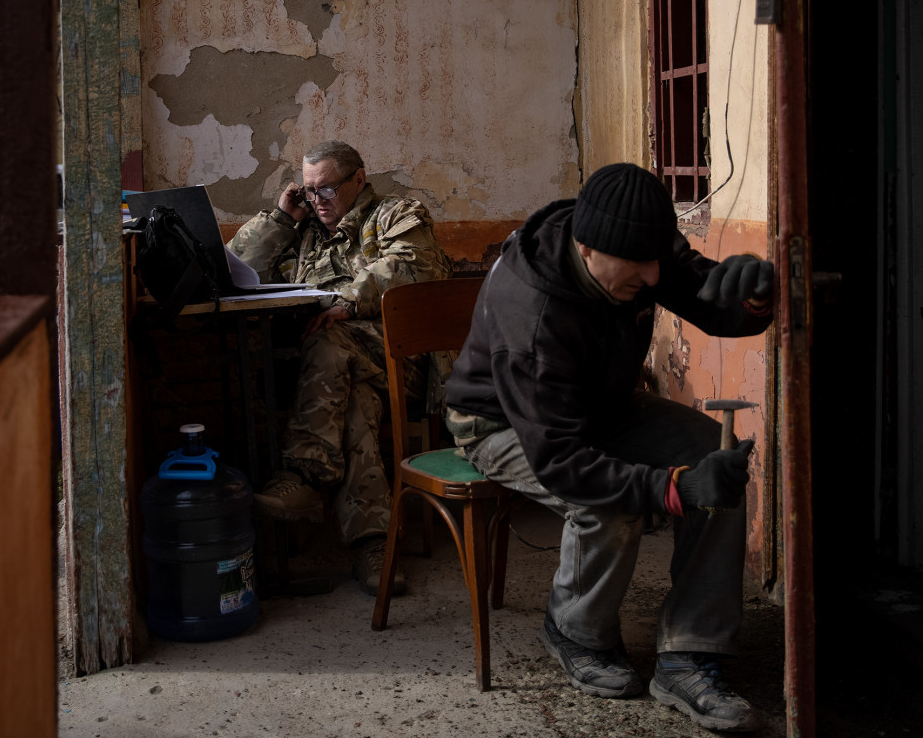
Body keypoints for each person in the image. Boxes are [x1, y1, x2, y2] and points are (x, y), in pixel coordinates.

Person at [443, 163, 774, 733]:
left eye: (658, 262)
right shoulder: (533, 311)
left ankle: (690, 654)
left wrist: (754, 293)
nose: (653, 278)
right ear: (586, 247)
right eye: (638, 267)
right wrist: (672, 490)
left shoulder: (638, 246)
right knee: (607, 502)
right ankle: (576, 630)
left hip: (599, 406)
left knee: (712, 460)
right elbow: (562, 463)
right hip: (501, 424)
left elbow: (713, 303)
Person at [229, 140, 452, 594]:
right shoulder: (301, 227)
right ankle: (373, 546)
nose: (317, 201)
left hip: (398, 364)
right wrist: (280, 218)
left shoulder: (396, 213)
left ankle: (307, 472)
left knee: (331, 337)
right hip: (327, 377)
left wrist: (347, 303)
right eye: (308, 191)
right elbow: (237, 268)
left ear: (358, 178)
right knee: (354, 404)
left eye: (327, 189)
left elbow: (414, 267)